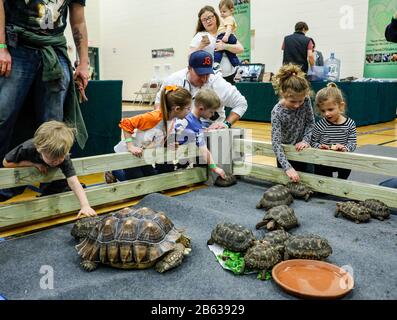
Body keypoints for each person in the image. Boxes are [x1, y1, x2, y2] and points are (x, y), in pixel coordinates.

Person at [0, 0, 89, 167]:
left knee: (53, 124)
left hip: (53, 47)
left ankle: (52, 183)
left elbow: (79, 21)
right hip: (16, 43)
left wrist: (84, 62)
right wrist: (1, 46)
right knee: (3, 115)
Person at [0, 121, 96, 219]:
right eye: (52, 159)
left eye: (60, 157)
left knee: (61, 183)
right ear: (39, 150)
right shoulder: (27, 148)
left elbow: (74, 182)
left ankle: (43, 206)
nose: (57, 161)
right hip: (25, 169)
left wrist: (85, 206)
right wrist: (33, 164)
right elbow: (6, 162)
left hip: (50, 176)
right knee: (13, 189)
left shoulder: (63, 157)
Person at [106, 85, 192, 183]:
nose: (189, 112)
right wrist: (130, 146)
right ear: (177, 109)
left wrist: (171, 145)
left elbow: (160, 139)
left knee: (152, 180)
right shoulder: (153, 117)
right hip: (128, 153)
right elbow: (126, 123)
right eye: (188, 108)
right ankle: (113, 171)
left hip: (143, 155)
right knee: (137, 182)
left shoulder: (172, 120)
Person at [154, 50, 247, 130]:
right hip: (178, 126)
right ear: (189, 68)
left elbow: (241, 103)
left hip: (209, 128)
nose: (204, 78)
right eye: (200, 74)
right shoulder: (174, 79)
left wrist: (226, 124)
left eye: (207, 74)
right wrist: (167, 124)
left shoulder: (218, 83)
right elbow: (159, 103)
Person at [271, 63, 315, 183]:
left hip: (303, 149)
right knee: (286, 184)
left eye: (300, 101)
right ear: (283, 94)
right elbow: (275, 143)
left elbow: (310, 123)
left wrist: (306, 140)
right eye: (292, 101)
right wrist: (287, 167)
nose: (297, 105)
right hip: (285, 154)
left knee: (308, 183)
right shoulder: (277, 112)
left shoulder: (306, 100)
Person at [175, 88, 226, 179]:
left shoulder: (186, 116)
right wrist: (214, 168)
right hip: (175, 157)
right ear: (201, 108)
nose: (212, 115)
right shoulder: (194, 125)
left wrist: (203, 129)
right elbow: (204, 150)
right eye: (211, 112)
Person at [311, 83, 356, 179]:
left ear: (341, 106)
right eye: (323, 111)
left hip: (342, 160)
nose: (327, 113)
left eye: (330, 109)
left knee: (347, 166)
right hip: (324, 160)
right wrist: (319, 146)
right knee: (320, 170)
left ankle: (341, 183)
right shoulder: (320, 125)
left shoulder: (350, 124)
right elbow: (313, 142)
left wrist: (344, 148)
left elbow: (352, 144)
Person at [190, 5, 244, 84]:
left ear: (215, 16)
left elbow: (240, 49)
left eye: (210, 17)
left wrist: (224, 46)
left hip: (231, 76)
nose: (208, 21)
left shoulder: (226, 32)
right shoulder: (199, 36)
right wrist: (200, 46)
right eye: (204, 20)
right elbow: (190, 56)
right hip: (211, 77)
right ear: (201, 22)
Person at [213, 0, 240, 71]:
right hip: (231, 37)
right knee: (230, 53)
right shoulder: (227, 19)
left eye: (224, 11)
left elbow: (229, 27)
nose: (222, 13)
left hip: (225, 35)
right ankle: (236, 65)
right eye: (220, 12)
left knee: (218, 49)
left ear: (231, 10)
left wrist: (226, 36)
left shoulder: (229, 18)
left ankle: (216, 63)